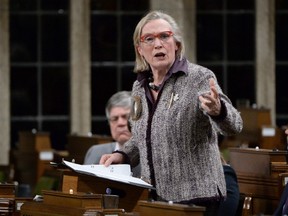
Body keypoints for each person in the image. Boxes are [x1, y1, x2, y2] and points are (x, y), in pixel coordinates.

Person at [100, 10, 243, 216]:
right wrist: (122, 155)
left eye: (164, 36)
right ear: (140, 49)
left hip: (198, 200)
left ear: (176, 43)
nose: (158, 44)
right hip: (157, 198)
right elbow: (142, 138)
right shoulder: (139, 87)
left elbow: (234, 125)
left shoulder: (199, 78)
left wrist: (218, 110)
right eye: (149, 39)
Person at [84, 91, 140, 177]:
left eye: (126, 117)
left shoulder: (149, 156)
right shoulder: (94, 152)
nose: (120, 123)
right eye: (114, 118)